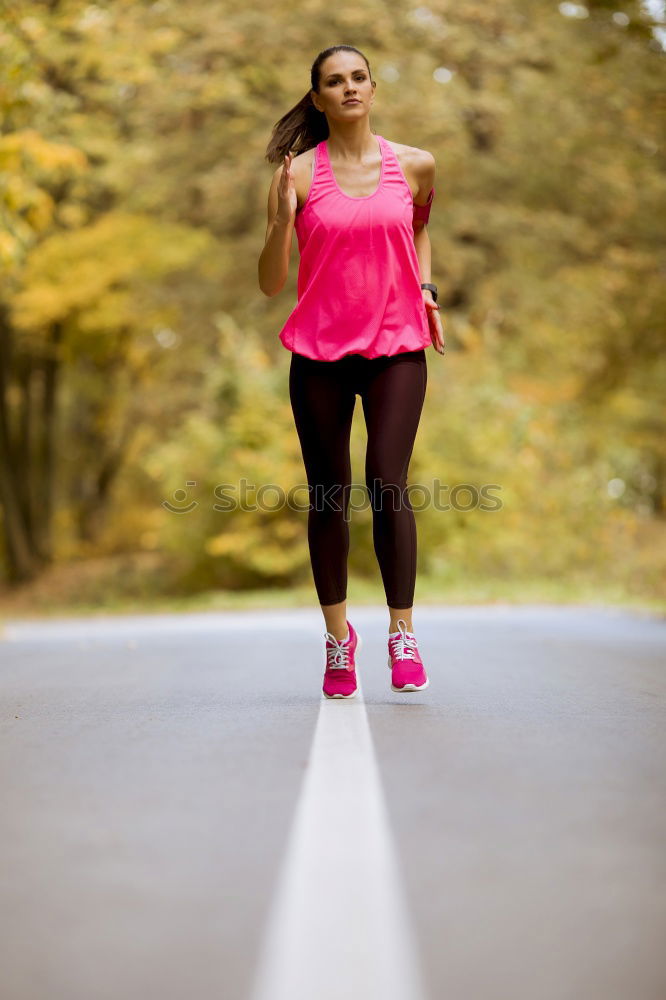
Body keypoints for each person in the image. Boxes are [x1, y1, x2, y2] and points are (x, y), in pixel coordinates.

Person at [258, 44, 445, 699]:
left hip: (397, 345)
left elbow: (418, 230)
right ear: (317, 98)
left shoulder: (416, 166)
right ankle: (339, 642)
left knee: (387, 483)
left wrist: (426, 291)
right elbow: (270, 280)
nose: (348, 89)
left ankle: (403, 632)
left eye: (357, 77)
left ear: (373, 85)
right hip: (318, 353)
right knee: (329, 496)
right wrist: (282, 221)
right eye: (333, 82)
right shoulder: (298, 177)